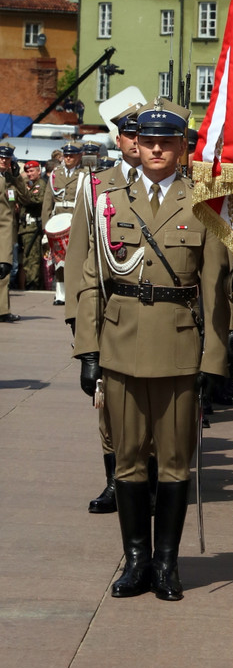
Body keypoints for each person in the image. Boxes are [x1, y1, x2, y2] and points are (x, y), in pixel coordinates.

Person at [73, 99, 231, 601]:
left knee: (175, 463)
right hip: (120, 346)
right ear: (135, 145)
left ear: (182, 147)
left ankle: (166, 564)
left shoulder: (203, 202)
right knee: (128, 462)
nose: (157, 149)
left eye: (167, 142)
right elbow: (91, 280)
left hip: (180, 348)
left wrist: (215, 359)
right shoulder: (109, 199)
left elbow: (216, 289)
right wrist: (88, 351)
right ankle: (136, 561)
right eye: (149, 141)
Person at [64, 102, 144, 514]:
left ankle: (148, 480)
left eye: (145, 134)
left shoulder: (177, 188)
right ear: (119, 138)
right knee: (109, 406)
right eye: (130, 133)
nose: (137, 142)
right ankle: (116, 481)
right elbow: (79, 256)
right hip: (107, 310)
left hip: (161, 314)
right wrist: (79, 327)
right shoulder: (95, 185)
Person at [42, 141, 87, 306]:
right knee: (58, 260)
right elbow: (47, 201)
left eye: (72, 155)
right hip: (58, 220)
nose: (68, 158)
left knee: (76, 259)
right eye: (66, 155)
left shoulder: (84, 174)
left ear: (79, 156)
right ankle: (60, 294)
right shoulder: (56, 174)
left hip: (76, 219)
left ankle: (74, 291)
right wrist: (45, 227)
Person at [0, 144, 26, 320]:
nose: (4, 160)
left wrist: (17, 178)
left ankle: (2, 311)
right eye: (1, 157)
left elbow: (26, 197)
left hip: (5, 232)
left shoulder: (10, 179)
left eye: (7, 158)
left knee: (4, 270)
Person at [19, 161, 47, 290]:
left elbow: (37, 200)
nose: (29, 174)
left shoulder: (40, 185)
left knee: (32, 257)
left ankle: (33, 283)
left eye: (32, 171)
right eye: (27, 171)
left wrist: (23, 196)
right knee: (28, 257)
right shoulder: (31, 185)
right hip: (26, 227)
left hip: (33, 227)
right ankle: (32, 281)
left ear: (39, 171)